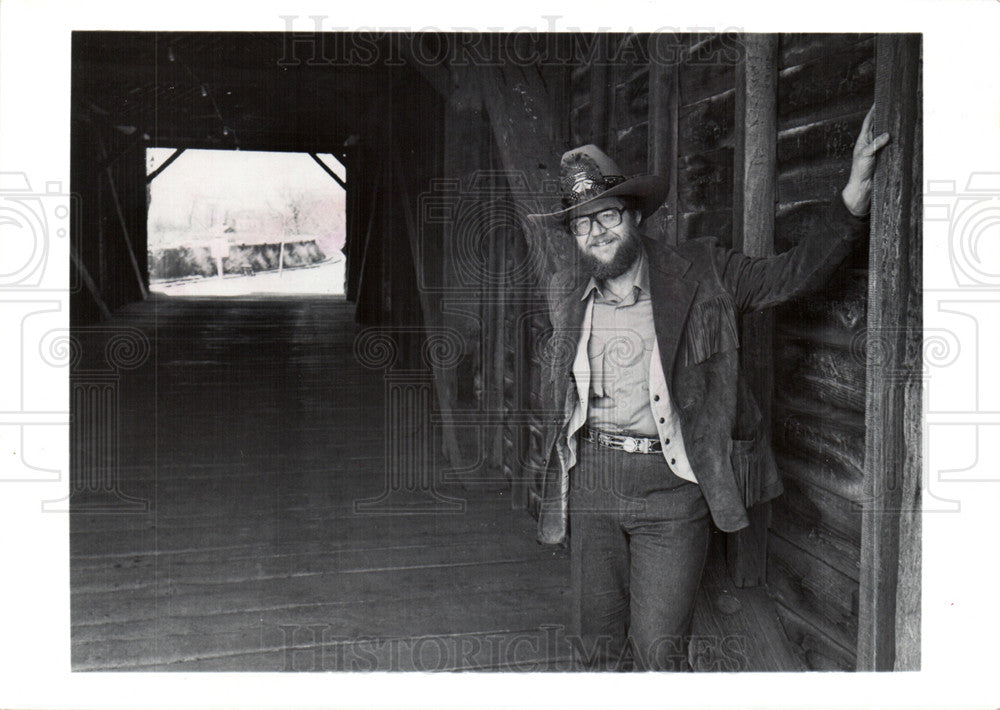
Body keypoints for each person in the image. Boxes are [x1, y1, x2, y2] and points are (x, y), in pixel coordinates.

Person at [529, 105, 890, 671]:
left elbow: (790, 276)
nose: (597, 232)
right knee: (596, 650)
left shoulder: (703, 273)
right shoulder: (563, 291)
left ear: (635, 216)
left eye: (608, 216)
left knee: (659, 653)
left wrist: (853, 195)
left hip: (673, 489)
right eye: (582, 222)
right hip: (592, 483)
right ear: (574, 235)